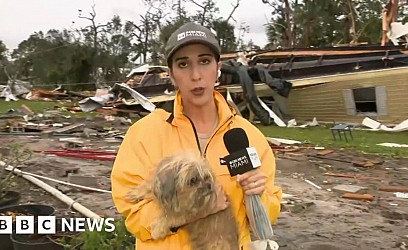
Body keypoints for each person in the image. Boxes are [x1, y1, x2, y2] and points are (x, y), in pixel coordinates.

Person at [111, 22, 282, 250]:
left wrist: (257, 196)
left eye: (204, 61)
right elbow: (133, 214)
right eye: (183, 64)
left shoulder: (248, 137)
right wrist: (195, 211)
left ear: (217, 68)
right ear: (171, 74)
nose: (196, 75)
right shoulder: (144, 134)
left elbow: (266, 218)